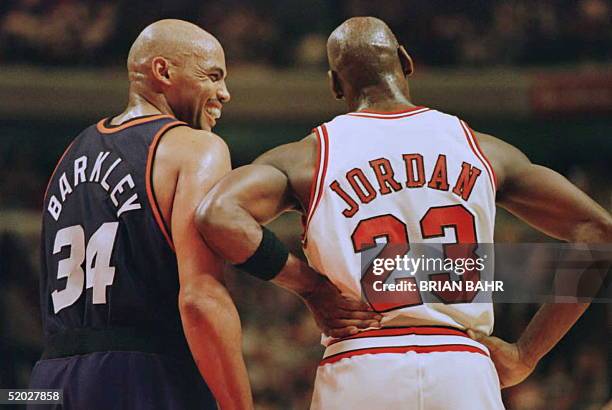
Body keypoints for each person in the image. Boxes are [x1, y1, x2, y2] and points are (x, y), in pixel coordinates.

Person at [196, 17, 612, 410]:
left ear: (335, 85)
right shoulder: (484, 150)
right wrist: (527, 353)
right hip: (462, 365)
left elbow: (218, 214)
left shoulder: (308, 157)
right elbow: (598, 231)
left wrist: (311, 288)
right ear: (406, 62)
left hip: (361, 363)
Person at [31, 19, 378, 410]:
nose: (225, 93)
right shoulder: (195, 148)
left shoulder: (69, 154)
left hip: (50, 380)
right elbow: (199, 299)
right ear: (163, 71)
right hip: (139, 376)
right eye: (212, 77)